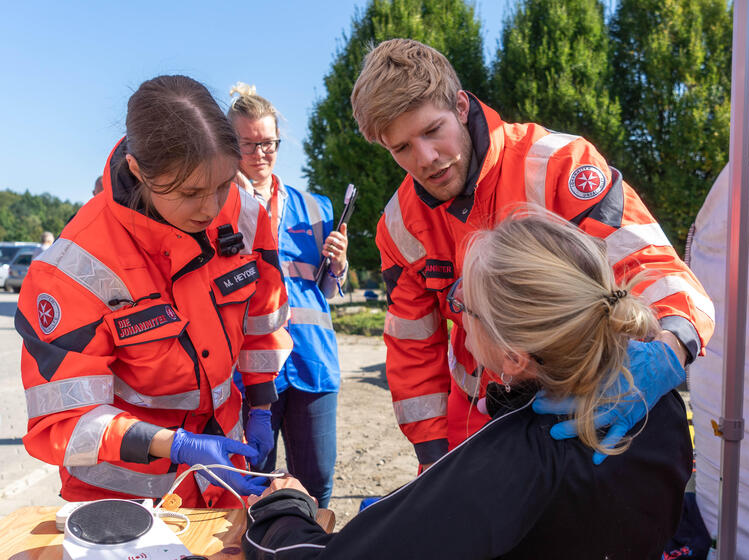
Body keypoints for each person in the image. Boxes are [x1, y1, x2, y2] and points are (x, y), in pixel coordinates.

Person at [241, 208, 693, 559]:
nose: (458, 315)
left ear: (513, 357)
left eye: (465, 307)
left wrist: (282, 511)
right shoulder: (659, 403)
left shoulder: (513, 458)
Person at [350, 39, 715, 469]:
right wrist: (433, 458)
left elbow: (647, 263)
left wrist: (670, 348)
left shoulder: (559, 163)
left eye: (433, 131)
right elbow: (414, 348)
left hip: (596, 403)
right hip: (482, 420)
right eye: (402, 148)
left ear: (462, 107)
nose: (426, 158)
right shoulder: (400, 226)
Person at [17, 75, 293, 508]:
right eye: (190, 192)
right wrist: (175, 444)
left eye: (223, 184)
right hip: (118, 504)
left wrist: (260, 403)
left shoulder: (244, 215)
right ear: (138, 171)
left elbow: (263, 321)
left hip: (221, 477)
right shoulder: (71, 270)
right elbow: (63, 421)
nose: (210, 208)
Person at [227, 83, 348, 508]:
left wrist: (338, 265)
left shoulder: (316, 207)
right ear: (229, 144)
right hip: (250, 371)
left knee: (316, 484)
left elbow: (326, 289)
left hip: (313, 363)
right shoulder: (216, 208)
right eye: (249, 144)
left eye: (269, 143)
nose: (261, 153)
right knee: (250, 483)